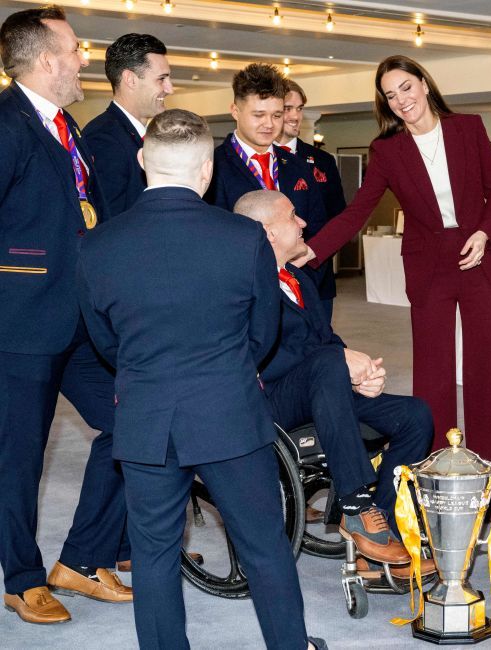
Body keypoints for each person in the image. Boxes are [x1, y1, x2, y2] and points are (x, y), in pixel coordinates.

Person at [75, 109, 325, 650]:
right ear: (208, 170)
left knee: (154, 555)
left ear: (143, 161)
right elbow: (263, 332)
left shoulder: (96, 244)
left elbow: (105, 341)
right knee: (263, 547)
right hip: (229, 412)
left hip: (145, 416)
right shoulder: (243, 238)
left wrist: (148, 373)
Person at [302, 55, 491, 466]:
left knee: (483, 374)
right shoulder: (386, 150)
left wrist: (485, 233)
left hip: (479, 260)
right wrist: (308, 252)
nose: (400, 100)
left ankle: (488, 473)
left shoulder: (468, 128)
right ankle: (435, 468)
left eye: (406, 87)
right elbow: (357, 211)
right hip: (429, 268)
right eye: (390, 95)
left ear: (425, 84)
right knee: (432, 377)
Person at [0, 5, 133, 625]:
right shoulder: (6, 124)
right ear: (47, 58)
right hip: (20, 324)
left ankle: (80, 559)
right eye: (76, 48)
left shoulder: (65, 127)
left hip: (81, 322)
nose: (84, 58)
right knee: (19, 455)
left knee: (134, 424)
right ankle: (22, 577)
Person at [233, 189, 434, 576]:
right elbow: (255, 356)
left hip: (322, 389)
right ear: (268, 232)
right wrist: (339, 361)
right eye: (293, 216)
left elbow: (326, 341)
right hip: (271, 400)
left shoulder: (298, 278)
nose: (304, 222)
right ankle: (356, 505)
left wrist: (362, 377)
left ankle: (382, 529)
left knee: (415, 414)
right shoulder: (243, 285)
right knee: (327, 361)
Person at [205, 63, 327, 301]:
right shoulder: (213, 168)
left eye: (277, 115)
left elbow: (317, 223)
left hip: (300, 284)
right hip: (242, 292)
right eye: (259, 115)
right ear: (235, 111)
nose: (269, 124)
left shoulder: (297, 165)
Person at [275, 79, 347, 317]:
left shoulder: (323, 161)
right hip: (271, 277)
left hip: (317, 276)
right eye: (288, 109)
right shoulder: (261, 160)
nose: (295, 116)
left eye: (299, 108)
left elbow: (339, 219)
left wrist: (314, 255)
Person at [83, 33, 172, 217]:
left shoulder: (146, 135)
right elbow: (109, 220)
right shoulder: (103, 138)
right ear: (130, 79)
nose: (170, 88)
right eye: (161, 79)